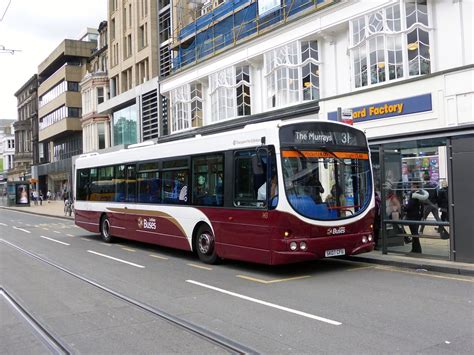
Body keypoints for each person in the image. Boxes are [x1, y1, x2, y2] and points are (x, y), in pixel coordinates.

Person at [405, 182, 429, 253]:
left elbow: (409, 206)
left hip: (412, 216)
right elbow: (422, 207)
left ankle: (417, 250)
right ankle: (415, 249)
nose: (411, 187)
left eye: (412, 185)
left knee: (414, 233)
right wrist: (421, 216)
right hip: (417, 216)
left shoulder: (413, 194)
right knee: (414, 233)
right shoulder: (420, 194)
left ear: (415, 186)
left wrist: (404, 208)